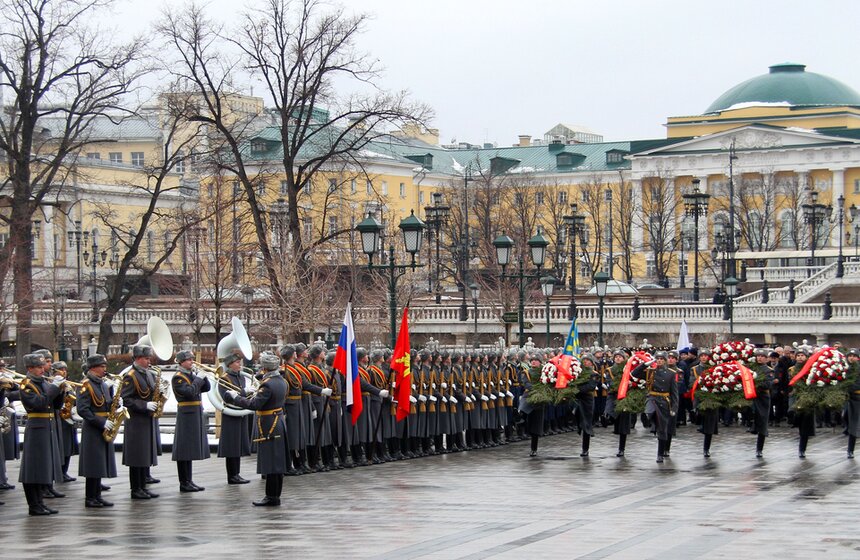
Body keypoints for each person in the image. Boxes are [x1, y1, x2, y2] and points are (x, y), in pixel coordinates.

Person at [225, 352, 289, 506]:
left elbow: (255, 405)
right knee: (277, 461)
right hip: (278, 421)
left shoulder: (267, 383)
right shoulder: (281, 381)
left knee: (271, 462)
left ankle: (271, 497)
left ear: (265, 367)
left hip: (269, 424)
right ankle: (274, 495)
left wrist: (235, 398)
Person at [18, 353, 64, 515]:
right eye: (38, 367)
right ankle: (34, 505)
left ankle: (40, 503)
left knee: (42, 467)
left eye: (42, 366)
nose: (42, 370)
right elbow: (39, 403)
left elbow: (55, 405)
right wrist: (54, 388)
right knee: (33, 468)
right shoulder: (27, 385)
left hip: (47, 427)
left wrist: (61, 390)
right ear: (30, 368)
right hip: (36, 428)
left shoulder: (43, 383)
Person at [76, 354, 118, 508]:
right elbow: (83, 410)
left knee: (99, 463)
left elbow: (106, 405)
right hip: (93, 428)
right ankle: (90, 498)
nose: (104, 369)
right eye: (102, 366)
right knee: (93, 464)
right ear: (93, 368)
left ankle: (97, 496)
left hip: (103, 426)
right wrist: (101, 422)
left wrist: (116, 403)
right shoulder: (85, 385)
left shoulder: (102, 384)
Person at [121, 345, 161, 499]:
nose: (148, 361)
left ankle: (143, 486)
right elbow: (126, 399)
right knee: (136, 456)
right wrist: (145, 405)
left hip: (147, 419)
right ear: (137, 358)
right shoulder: (130, 376)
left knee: (144, 455)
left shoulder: (148, 374)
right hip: (136, 421)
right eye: (146, 358)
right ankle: (135, 489)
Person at [171, 350, 211, 492]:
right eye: (188, 360)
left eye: (192, 359)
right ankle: (184, 482)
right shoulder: (178, 378)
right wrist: (198, 379)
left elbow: (206, 388)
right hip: (186, 414)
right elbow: (189, 392)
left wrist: (203, 378)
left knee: (190, 449)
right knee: (184, 450)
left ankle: (189, 480)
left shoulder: (190, 375)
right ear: (181, 362)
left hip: (195, 413)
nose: (191, 362)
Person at [635, 351, 678, 463]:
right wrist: (645, 364)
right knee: (649, 410)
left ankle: (660, 454)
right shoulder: (650, 371)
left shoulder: (671, 373)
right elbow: (634, 373)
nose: (659, 361)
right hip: (652, 397)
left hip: (664, 401)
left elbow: (674, 393)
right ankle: (647, 418)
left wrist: (674, 408)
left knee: (662, 429)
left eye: (661, 359)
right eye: (657, 359)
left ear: (665, 360)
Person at [217, 353, 252, 483]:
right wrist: (244, 392)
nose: (240, 364)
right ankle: (232, 475)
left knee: (238, 445)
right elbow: (225, 397)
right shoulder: (225, 378)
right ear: (230, 364)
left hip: (239, 412)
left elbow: (240, 394)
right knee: (232, 446)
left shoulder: (240, 377)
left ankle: (236, 473)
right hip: (231, 414)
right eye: (237, 362)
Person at [52, 361, 80, 483]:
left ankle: (65, 471)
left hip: (68, 417)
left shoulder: (69, 384)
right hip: (59, 417)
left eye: (65, 370)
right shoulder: (53, 384)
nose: (64, 372)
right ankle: (60, 472)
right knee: (62, 446)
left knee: (69, 446)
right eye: (61, 370)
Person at [788, 346, 814, 458]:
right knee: (792, 414)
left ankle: (802, 449)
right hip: (795, 396)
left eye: (802, 355)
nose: (800, 357)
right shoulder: (791, 369)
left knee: (805, 426)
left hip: (807, 397)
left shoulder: (811, 369)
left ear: (806, 357)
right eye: (798, 355)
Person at [750, 348, 776, 458]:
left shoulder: (769, 370)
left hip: (763, 397)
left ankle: (759, 449)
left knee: (763, 422)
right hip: (751, 396)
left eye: (762, 356)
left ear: (766, 358)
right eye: (758, 356)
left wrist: (756, 382)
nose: (759, 358)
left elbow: (768, 385)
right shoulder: (751, 368)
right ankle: (751, 425)